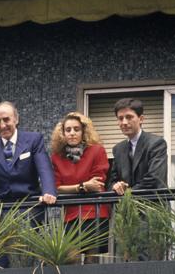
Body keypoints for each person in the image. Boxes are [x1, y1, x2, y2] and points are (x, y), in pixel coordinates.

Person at [0, 101, 56, 208]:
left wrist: (49, 192)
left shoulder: (34, 140)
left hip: (30, 207)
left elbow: (44, 169)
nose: (2, 125)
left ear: (16, 119)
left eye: (6, 119)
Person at [51, 112, 110, 262]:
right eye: (68, 130)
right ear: (62, 133)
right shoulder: (57, 157)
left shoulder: (96, 150)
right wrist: (82, 187)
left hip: (94, 213)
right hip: (71, 215)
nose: (72, 133)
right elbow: (56, 187)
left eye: (76, 129)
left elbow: (97, 183)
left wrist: (70, 188)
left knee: (92, 262)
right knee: (71, 260)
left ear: (84, 131)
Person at [107, 98, 167, 195]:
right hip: (127, 208)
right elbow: (111, 182)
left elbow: (154, 179)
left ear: (141, 119)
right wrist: (116, 186)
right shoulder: (118, 149)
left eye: (129, 117)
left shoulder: (156, 143)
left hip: (151, 206)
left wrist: (128, 193)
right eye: (120, 118)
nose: (124, 122)